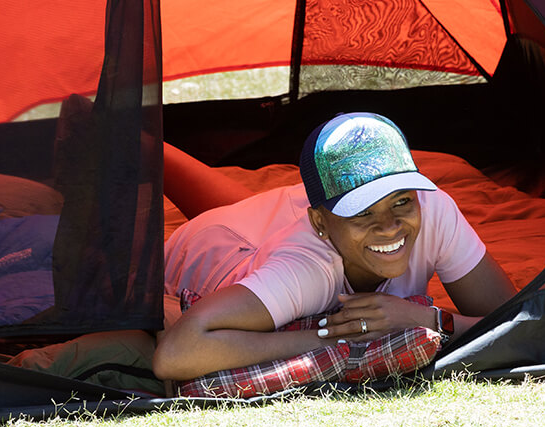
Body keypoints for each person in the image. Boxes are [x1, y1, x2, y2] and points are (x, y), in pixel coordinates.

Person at [152, 113, 517, 381]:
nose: (389, 226)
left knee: (248, 203)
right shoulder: (305, 268)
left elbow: (522, 320)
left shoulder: (431, 209)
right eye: (362, 210)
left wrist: (428, 319)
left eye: (401, 201)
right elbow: (176, 354)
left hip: (280, 215)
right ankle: (136, 135)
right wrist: (334, 339)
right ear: (320, 223)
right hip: (218, 246)